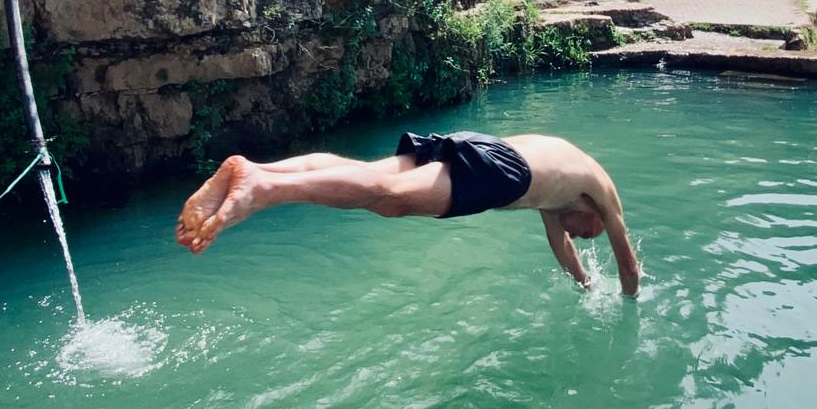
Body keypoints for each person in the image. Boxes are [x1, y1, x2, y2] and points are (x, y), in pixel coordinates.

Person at [176, 130, 642, 295]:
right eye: (588, 236)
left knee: (373, 179)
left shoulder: (563, 189)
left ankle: (256, 170)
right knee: (391, 197)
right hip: (503, 169)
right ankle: (263, 190)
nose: (579, 238)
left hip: (484, 145)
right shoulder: (602, 190)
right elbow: (627, 259)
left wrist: (583, 284)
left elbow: (558, 245)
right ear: (595, 219)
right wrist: (630, 300)